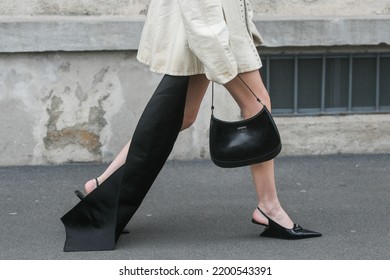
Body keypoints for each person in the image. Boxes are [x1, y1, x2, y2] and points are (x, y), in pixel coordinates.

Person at [62, 0, 321, 252]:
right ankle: (269, 207)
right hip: (211, 32)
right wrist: (218, 54)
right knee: (257, 105)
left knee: (183, 116)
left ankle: (101, 185)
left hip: (209, 29)